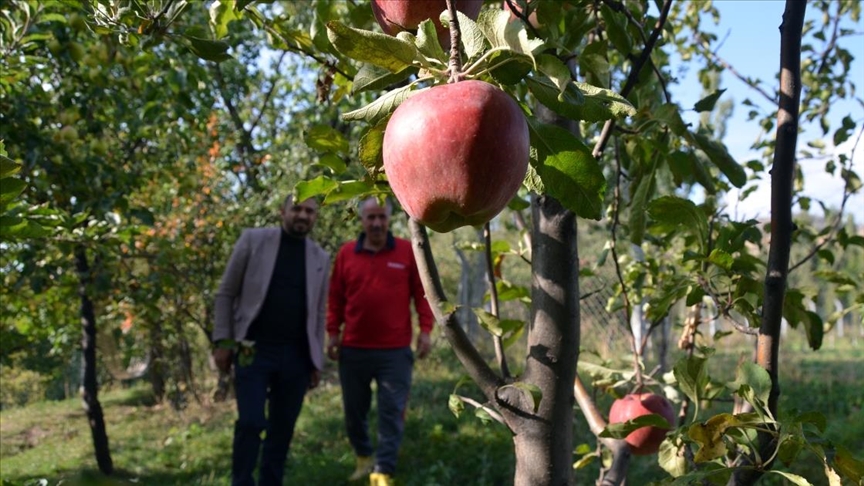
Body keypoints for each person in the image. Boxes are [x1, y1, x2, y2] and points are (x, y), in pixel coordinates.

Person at [212, 196, 330, 486]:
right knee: (251, 422)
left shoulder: (320, 258)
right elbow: (226, 293)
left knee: (282, 429)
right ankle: (241, 481)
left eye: (309, 211)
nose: (302, 215)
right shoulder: (253, 241)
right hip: (253, 350)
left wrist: (317, 359)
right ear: (283, 212)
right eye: (297, 209)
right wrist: (224, 342)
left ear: (315, 217)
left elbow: (318, 312)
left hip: (297, 357)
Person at [326, 197, 434, 486]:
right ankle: (363, 456)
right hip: (354, 350)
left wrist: (426, 331)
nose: (376, 223)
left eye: (381, 218)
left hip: (395, 353)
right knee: (354, 412)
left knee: (391, 411)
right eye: (370, 217)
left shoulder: (407, 251)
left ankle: (383, 470)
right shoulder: (347, 253)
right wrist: (332, 332)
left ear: (389, 219)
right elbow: (335, 297)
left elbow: (422, 295)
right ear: (362, 220)